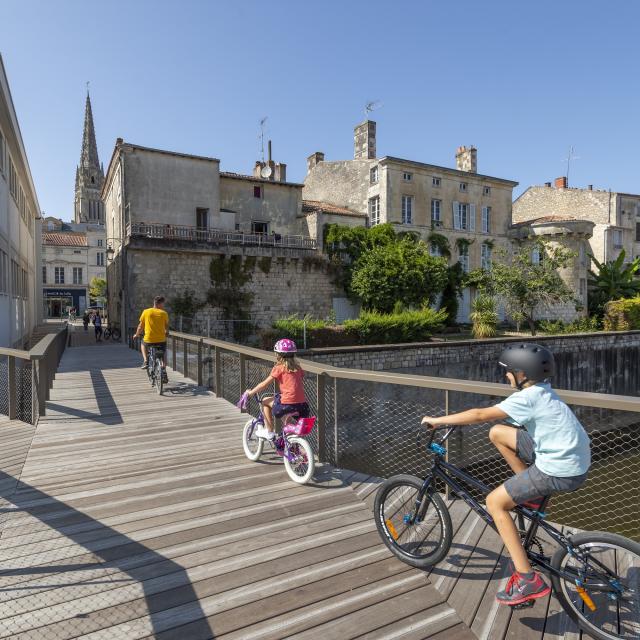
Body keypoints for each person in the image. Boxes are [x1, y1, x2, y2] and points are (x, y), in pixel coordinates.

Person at [421, 343, 590, 607]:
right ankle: (532, 495)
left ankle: (527, 580)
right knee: (498, 432)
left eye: (509, 372)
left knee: (494, 502)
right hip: (570, 457)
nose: (506, 376)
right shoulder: (542, 391)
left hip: (559, 468)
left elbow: (479, 415)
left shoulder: (527, 397)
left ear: (522, 373)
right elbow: (496, 422)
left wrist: (438, 420)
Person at [244, 339, 309, 441]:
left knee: (265, 401)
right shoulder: (298, 368)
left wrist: (251, 393)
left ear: (277, 355)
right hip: (303, 406)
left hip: (286, 405)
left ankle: (269, 431)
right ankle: (291, 442)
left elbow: (264, 385)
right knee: (286, 411)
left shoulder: (279, 368)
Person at [133, 296, 169, 383]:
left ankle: (145, 361)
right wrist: (166, 332)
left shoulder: (146, 312)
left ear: (154, 303)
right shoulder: (164, 313)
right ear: (160, 303)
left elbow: (140, 326)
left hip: (149, 339)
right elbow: (166, 327)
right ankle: (163, 369)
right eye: (163, 304)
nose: (163, 305)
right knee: (164, 352)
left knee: (142, 344)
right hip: (161, 339)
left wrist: (136, 334)